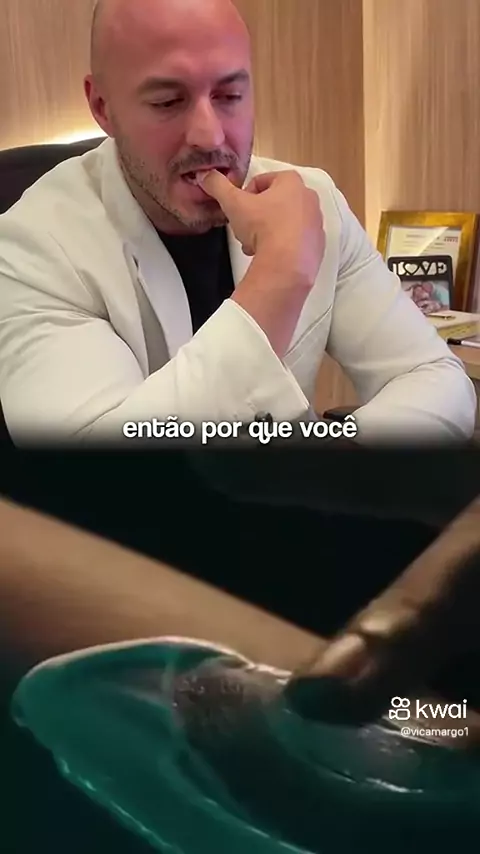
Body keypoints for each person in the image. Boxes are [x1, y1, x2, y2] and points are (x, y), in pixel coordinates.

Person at [0, 0, 476, 445]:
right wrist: (280, 277)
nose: (210, 136)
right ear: (102, 107)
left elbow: (436, 379)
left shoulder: (313, 202)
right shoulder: (35, 246)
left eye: (229, 95)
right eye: (167, 102)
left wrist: (335, 462)